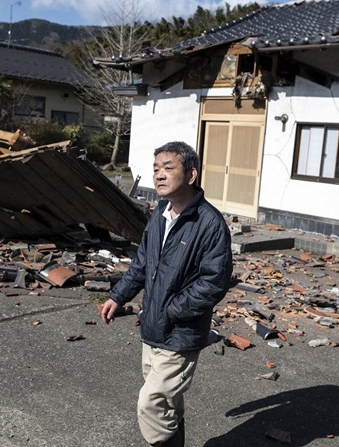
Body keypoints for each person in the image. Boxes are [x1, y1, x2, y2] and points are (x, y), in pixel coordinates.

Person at [100, 141, 233, 447]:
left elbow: (214, 282)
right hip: (152, 328)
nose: (159, 175)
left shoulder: (210, 224)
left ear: (191, 175)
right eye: (156, 168)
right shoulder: (160, 213)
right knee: (166, 403)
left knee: (151, 402)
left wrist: (173, 310)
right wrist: (118, 296)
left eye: (168, 168)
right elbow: (143, 262)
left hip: (181, 332)